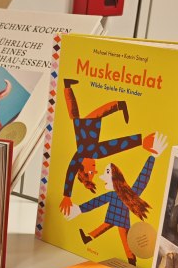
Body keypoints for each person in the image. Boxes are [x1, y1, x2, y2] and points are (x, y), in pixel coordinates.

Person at [65, 132, 168, 266]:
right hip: (113, 217)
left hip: (121, 219)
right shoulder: (112, 195)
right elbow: (96, 202)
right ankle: (89, 238)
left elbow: (142, 180)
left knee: (124, 239)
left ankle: (131, 260)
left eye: (107, 172)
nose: (102, 176)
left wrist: (153, 157)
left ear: (115, 176)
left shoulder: (127, 194)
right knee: (107, 226)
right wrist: (79, 209)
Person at [59, 78, 158, 215]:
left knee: (82, 115)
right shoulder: (94, 153)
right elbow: (116, 145)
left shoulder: (81, 155)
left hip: (88, 124)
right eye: (94, 174)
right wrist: (140, 141)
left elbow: (70, 172)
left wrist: (67, 195)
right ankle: (67, 86)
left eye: (91, 173)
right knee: (74, 115)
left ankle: (118, 105)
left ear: (83, 168)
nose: (96, 171)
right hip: (83, 124)